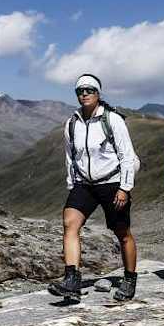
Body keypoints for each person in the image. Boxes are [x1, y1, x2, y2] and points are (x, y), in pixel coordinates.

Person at [48, 74, 139, 302]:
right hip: (84, 185)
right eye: (80, 91)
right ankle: (72, 279)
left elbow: (127, 156)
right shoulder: (72, 124)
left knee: (122, 233)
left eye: (89, 90)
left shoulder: (113, 120)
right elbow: (70, 157)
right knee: (70, 223)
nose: (84, 94)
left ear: (98, 93)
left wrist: (125, 188)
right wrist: (72, 183)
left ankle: (129, 279)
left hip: (112, 183)